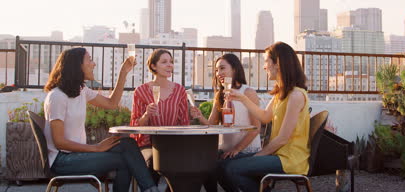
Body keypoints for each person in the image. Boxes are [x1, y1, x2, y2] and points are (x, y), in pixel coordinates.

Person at [43, 47, 159, 192]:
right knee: (124, 161)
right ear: (77, 65)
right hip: (62, 161)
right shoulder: (57, 97)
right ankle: (152, 189)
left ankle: (151, 189)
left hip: (77, 155)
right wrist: (95, 148)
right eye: (89, 60)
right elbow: (59, 142)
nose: (94, 64)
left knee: (128, 143)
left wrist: (123, 73)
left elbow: (112, 104)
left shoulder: (81, 90)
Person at [221, 42, 310, 192]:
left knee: (232, 169)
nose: (264, 66)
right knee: (221, 165)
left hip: (289, 160)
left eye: (266, 61)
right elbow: (265, 117)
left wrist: (258, 155)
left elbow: (283, 138)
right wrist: (242, 98)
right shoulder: (281, 94)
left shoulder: (296, 95)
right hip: (277, 155)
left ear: (278, 64)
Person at [190, 53, 261, 191]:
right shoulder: (220, 95)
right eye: (216, 70)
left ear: (234, 69)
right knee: (202, 162)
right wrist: (199, 116)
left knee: (218, 166)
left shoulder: (248, 93)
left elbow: (256, 128)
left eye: (222, 68)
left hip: (246, 150)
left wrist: (237, 149)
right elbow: (211, 125)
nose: (218, 73)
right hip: (226, 150)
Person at [130, 49, 190, 182]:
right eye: (164, 62)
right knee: (154, 161)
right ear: (153, 66)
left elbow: (184, 123)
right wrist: (146, 115)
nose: (170, 65)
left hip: (173, 142)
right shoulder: (140, 91)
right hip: (148, 144)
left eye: (171, 62)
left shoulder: (180, 91)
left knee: (190, 163)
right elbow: (135, 125)